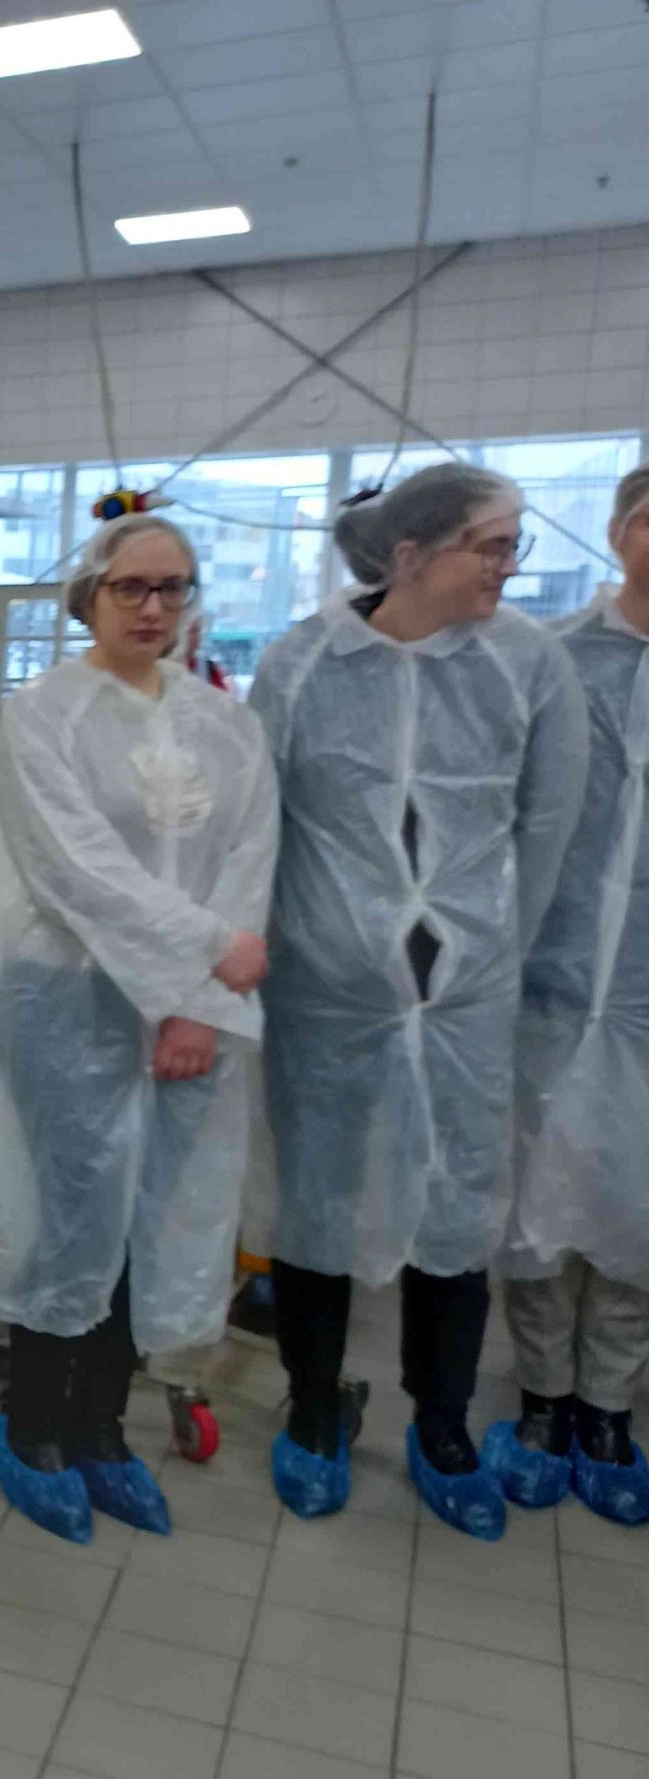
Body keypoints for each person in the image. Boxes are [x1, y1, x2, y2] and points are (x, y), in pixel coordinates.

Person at [0, 517, 277, 1542]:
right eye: (131, 588)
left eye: (173, 588)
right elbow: (75, 870)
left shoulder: (225, 725)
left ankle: (104, 1426)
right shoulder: (45, 716)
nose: (153, 608)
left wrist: (193, 1003)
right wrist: (201, 953)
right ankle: (32, 1421)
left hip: (192, 1009)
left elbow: (250, 857)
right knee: (70, 1210)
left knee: (151, 1213)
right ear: (89, 597)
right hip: (65, 997)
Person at [251, 464, 585, 1537]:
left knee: (458, 1204)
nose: (507, 567)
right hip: (324, 994)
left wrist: (491, 954)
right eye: (490, 545)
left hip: (465, 998)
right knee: (316, 1200)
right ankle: (313, 1409)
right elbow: (259, 828)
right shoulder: (302, 663)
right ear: (408, 554)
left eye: (513, 546)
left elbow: (550, 823)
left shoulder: (527, 665)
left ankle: (440, 1423)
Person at [488, 465, 649, 1525]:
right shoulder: (554, 659)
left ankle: (610, 1407)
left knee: (642, 1204)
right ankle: (543, 1395)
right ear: (623, 529)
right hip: (549, 982)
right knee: (536, 1198)